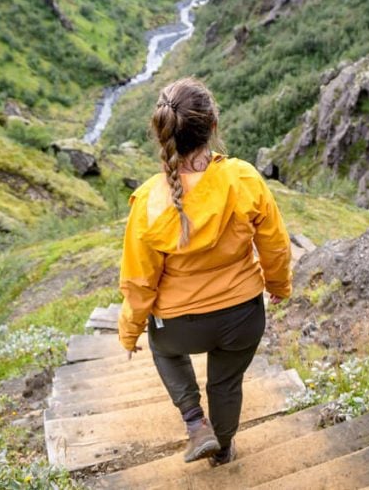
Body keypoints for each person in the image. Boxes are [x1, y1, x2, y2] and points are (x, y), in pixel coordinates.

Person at [117, 77, 292, 466]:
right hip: (242, 315)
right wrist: (278, 285)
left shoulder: (148, 199)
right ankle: (224, 448)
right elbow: (275, 243)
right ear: (213, 126)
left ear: (164, 133)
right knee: (226, 383)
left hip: (179, 325)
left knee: (162, 349)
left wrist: (130, 332)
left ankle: (196, 423)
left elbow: (139, 281)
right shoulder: (243, 177)